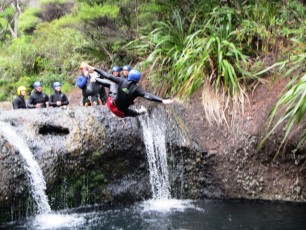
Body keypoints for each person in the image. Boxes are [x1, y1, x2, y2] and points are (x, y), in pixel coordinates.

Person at [86, 63, 173, 118]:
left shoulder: (122, 80)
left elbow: (108, 75)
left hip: (111, 104)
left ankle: (95, 79)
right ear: (137, 80)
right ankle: (141, 113)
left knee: (111, 84)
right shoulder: (137, 90)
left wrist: (95, 69)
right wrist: (162, 100)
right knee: (132, 113)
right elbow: (148, 96)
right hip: (120, 113)